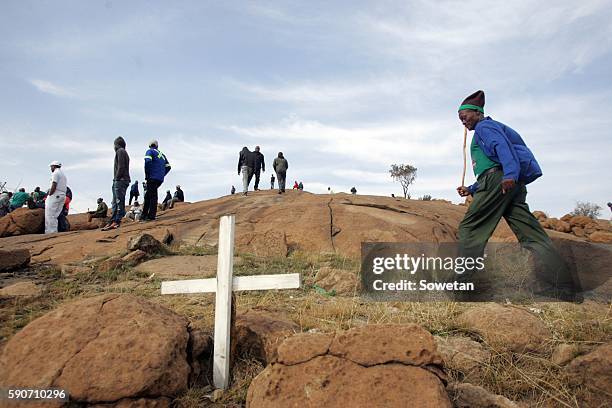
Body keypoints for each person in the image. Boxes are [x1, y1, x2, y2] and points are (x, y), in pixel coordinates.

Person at [455, 90, 578, 301]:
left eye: (464, 116)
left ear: (476, 112)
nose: (462, 121)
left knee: (471, 227)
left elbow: (501, 150)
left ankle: (460, 286)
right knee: (532, 236)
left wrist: (509, 174)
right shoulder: (489, 128)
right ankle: (564, 288)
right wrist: (473, 189)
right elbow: (491, 163)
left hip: (501, 181)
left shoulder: (485, 127)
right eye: (460, 118)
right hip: (508, 184)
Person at [103, 136, 131, 231]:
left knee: (119, 201)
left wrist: (117, 178)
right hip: (121, 180)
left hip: (121, 180)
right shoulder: (124, 152)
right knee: (115, 202)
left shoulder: (120, 151)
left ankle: (117, 221)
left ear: (117, 145)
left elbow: (121, 166)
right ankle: (112, 220)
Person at [141, 140, 171, 221]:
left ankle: (151, 216)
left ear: (149, 145)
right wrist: (162, 174)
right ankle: (143, 215)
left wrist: (147, 175)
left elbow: (147, 162)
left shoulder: (150, 151)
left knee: (152, 196)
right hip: (159, 179)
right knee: (148, 195)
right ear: (157, 146)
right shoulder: (162, 155)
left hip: (152, 177)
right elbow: (168, 167)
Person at [45, 161, 67, 234]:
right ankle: (54, 231)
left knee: (49, 214)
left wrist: (50, 194)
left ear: (54, 166)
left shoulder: (55, 173)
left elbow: (54, 184)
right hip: (62, 195)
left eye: (51, 167)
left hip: (55, 194)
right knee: (55, 215)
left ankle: (50, 232)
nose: (51, 168)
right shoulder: (63, 175)